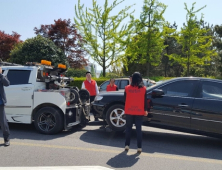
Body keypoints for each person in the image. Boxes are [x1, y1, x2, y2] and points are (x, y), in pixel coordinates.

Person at [124, 72, 148, 154]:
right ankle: (139, 147)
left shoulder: (127, 88)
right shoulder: (144, 89)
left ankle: (127, 145)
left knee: (128, 129)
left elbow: (125, 99)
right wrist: (145, 110)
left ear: (132, 79)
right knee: (138, 130)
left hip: (129, 110)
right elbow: (145, 101)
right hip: (139, 111)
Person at [0, 67, 10, 146]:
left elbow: (7, 84)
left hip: (0, 103)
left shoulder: (2, 77)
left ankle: (6, 139)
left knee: (3, 122)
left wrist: (1, 75)